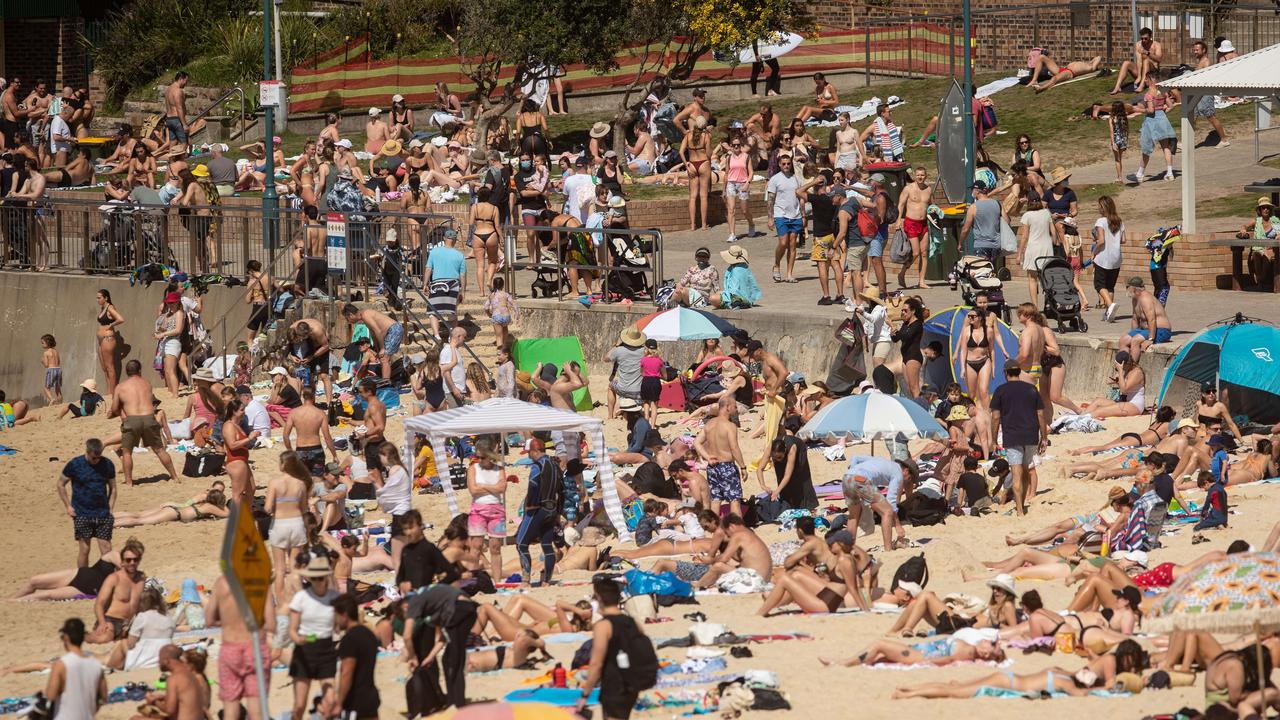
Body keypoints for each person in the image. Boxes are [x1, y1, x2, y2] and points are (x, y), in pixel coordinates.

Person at [576, 576, 654, 720]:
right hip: (632, 686)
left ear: (598, 598)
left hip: (614, 686)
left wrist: (585, 695)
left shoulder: (603, 626)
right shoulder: (632, 622)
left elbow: (596, 663)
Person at [402, 583, 478, 715]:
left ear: (404, 606)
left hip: (460, 609)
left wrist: (413, 657)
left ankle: (457, 705)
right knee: (449, 658)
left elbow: (407, 636)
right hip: (469, 610)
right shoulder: (433, 605)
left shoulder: (413, 602)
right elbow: (443, 638)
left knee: (454, 660)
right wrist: (430, 657)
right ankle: (452, 701)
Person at [208, 575, 273, 720]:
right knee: (256, 710)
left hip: (231, 648)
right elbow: (272, 624)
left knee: (230, 710)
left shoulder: (222, 582)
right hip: (254, 647)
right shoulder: (262, 583)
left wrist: (228, 621)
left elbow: (209, 619)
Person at [990, 360, 1047, 516]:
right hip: (1030, 435)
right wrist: (1044, 437)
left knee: (1016, 474)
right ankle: (1021, 502)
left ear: (1006, 373)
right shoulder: (1031, 389)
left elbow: (995, 417)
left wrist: (993, 440)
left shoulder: (1000, 391)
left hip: (1012, 436)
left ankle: (1020, 511)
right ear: (1019, 372)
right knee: (1027, 470)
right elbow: (1041, 414)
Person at [287, 554, 338, 720]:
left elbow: (340, 624)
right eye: (315, 578)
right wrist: (298, 639)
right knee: (299, 705)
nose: (318, 581)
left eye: (321, 577)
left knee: (330, 701)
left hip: (326, 648)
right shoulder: (301, 598)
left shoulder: (334, 598)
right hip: (305, 649)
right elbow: (292, 630)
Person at [57, 438, 116, 568]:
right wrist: (68, 506)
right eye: (94, 458)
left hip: (103, 513)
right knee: (84, 549)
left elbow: (113, 488)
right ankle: (83, 579)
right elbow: (61, 484)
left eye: (99, 457)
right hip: (82, 513)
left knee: (106, 549)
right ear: (88, 452)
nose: (97, 460)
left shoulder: (107, 464)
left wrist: (110, 509)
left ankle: (109, 580)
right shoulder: (75, 464)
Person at [324, 593, 379, 720]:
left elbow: (346, 673)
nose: (335, 620)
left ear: (344, 615)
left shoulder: (349, 639)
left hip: (355, 701)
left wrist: (339, 703)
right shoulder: (369, 634)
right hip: (371, 697)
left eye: (336, 616)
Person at [516, 438, 562, 586]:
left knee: (521, 543)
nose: (529, 456)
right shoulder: (555, 465)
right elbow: (563, 491)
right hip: (552, 509)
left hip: (538, 509)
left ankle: (525, 580)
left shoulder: (538, 466)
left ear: (535, 451)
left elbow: (533, 485)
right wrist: (558, 513)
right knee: (547, 545)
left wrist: (529, 506)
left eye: (529, 452)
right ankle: (546, 581)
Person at [842, 455, 908, 550]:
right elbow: (891, 501)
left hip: (847, 477)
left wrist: (852, 469)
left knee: (853, 516)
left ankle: (847, 550)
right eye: (909, 478)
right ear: (906, 471)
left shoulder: (881, 460)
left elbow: (856, 458)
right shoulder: (898, 474)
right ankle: (888, 549)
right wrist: (898, 525)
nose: (906, 481)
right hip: (861, 480)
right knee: (887, 512)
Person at [87, 538, 146, 644]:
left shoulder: (141, 578)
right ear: (122, 562)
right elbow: (99, 604)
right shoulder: (114, 578)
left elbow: (138, 604)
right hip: (110, 620)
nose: (132, 563)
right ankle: (79, 638)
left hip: (128, 624)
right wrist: (102, 622)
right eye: (128, 560)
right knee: (105, 638)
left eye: (135, 560)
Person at [45, 618, 106, 720]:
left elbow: (50, 695)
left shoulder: (61, 665)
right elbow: (103, 696)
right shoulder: (96, 664)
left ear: (66, 638)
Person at [801, 171, 845, 304]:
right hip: (832, 235)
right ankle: (840, 294)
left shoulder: (816, 199)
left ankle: (826, 296)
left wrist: (813, 182)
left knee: (821, 265)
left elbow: (798, 191)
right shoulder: (832, 200)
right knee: (835, 264)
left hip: (820, 237)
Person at [467, 441, 508, 578]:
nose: (479, 460)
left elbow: (502, 489)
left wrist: (483, 486)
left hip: (497, 511)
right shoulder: (473, 469)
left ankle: (497, 581)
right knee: (476, 547)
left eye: (482, 457)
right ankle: (472, 580)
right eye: (477, 456)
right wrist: (493, 488)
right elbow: (473, 490)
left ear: (490, 456)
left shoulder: (499, 469)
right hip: (478, 510)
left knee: (495, 547)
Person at [341, 304, 404, 382]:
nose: (348, 322)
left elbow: (378, 331)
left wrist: (382, 348)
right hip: (390, 332)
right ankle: (387, 380)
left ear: (350, 315)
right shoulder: (364, 318)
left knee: (384, 359)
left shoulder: (365, 315)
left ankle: (386, 384)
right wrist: (377, 350)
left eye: (347, 319)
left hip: (394, 330)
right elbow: (373, 335)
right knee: (383, 358)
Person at [1134, 72, 1177, 183]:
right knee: (1165, 147)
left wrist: (1140, 110)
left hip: (1151, 122)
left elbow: (1151, 110)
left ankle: (1140, 173)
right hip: (1162, 120)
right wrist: (1163, 111)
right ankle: (1170, 172)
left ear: (1150, 79)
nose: (1144, 81)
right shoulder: (1162, 92)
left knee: (1146, 148)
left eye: (1146, 79)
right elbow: (1171, 106)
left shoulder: (1149, 94)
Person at [282, 388, 336, 476]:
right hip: (316, 449)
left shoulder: (294, 413)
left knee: (303, 480)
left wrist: (290, 450)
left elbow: (285, 436)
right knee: (318, 480)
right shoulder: (320, 413)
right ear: (313, 396)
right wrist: (334, 455)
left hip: (301, 450)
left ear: (303, 397)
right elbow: (327, 437)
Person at [1118, 276, 1173, 363]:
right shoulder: (1135, 299)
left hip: (1161, 330)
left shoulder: (1145, 298)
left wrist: (1150, 339)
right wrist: (1133, 333)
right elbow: (1135, 318)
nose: (1126, 290)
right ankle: (1123, 364)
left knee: (1135, 340)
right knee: (1123, 340)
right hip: (1145, 330)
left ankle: (1132, 367)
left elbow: (1151, 319)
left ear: (1133, 289)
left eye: (1127, 287)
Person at [766, 153, 802, 283]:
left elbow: (801, 197)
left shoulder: (795, 178)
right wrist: (770, 218)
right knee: (783, 242)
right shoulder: (775, 179)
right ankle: (776, 264)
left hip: (795, 215)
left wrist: (803, 214)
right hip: (780, 214)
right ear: (780, 165)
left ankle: (789, 274)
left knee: (792, 245)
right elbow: (770, 200)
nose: (786, 166)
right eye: (784, 164)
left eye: (788, 163)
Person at [1017, 195, 1057, 302]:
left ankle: (1035, 305)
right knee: (1046, 277)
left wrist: (1019, 254)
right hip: (1047, 248)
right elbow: (1053, 232)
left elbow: (1024, 236)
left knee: (1032, 278)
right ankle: (1049, 302)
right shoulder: (1046, 213)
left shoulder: (1027, 215)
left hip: (1033, 248)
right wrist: (1055, 243)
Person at [1091, 195, 1126, 321]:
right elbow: (1123, 240)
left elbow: (1101, 241)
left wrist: (1094, 252)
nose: (1098, 208)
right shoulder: (1119, 221)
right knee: (1110, 286)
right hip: (1116, 258)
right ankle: (1108, 313)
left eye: (1099, 206)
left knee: (1099, 285)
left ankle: (1110, 305)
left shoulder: (1101, 221)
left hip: (1104, 257)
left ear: (1103, 208)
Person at [896, 167, 931, 289]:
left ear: (925, 176)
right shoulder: (908, 189)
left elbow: (932, 206)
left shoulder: (928, 189)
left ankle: (921, 281)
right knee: (915, 252)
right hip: (911, 222)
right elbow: (901, 204)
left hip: (924, 223)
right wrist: (898, 219)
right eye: (918, 175)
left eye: (922, 175)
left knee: (924, 253)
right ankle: (902, 273)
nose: (920, 177)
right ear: (915, 176)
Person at [1110, 27, 1164, 95]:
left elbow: (1159, 59)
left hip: (1152, 71)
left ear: (1150, 37)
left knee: (1146, 59)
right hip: (1141, 71)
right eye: (1142, 38)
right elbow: (1139, 61)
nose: (1143, 40)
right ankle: (1117, 86)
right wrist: (1139, 76)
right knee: (1126, 63)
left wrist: (1148, 53)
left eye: (1145, 38)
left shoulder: (1156, 45)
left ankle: (1142, 85)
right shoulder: (1139, 44)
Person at [959, 178, 1002, 261]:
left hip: (981, 245)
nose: (972, 192)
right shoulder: (997, 203)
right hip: (996, 246)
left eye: (973, 190)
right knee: (991, 271)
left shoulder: (973, 207)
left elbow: (965, 229)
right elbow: (1007, 220)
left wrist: (960, 243)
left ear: (977, 191)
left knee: (981, 271)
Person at [94, 289, 124, 396]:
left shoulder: (110, 308)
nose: (97, 300)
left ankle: (112, 393)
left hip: (108, 339)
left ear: (106, 298)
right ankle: (109, 391)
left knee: (110, 367)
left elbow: (120, 319)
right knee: (104, 368)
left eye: (99, 297)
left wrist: (111, 325)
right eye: (97, 298)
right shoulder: (103, 308)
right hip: (102, 340)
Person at [1028, 52, 1103, 92]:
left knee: (1055, 78)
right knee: (1041, 57)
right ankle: (1034, 80)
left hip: (1070, 73)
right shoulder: (1087, 64)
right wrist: (1091, 61)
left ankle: (1042, 88)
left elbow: (1099, 58)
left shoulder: (1091, 68)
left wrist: (1093, 64)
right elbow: (1096, 58)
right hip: (1061, 69)